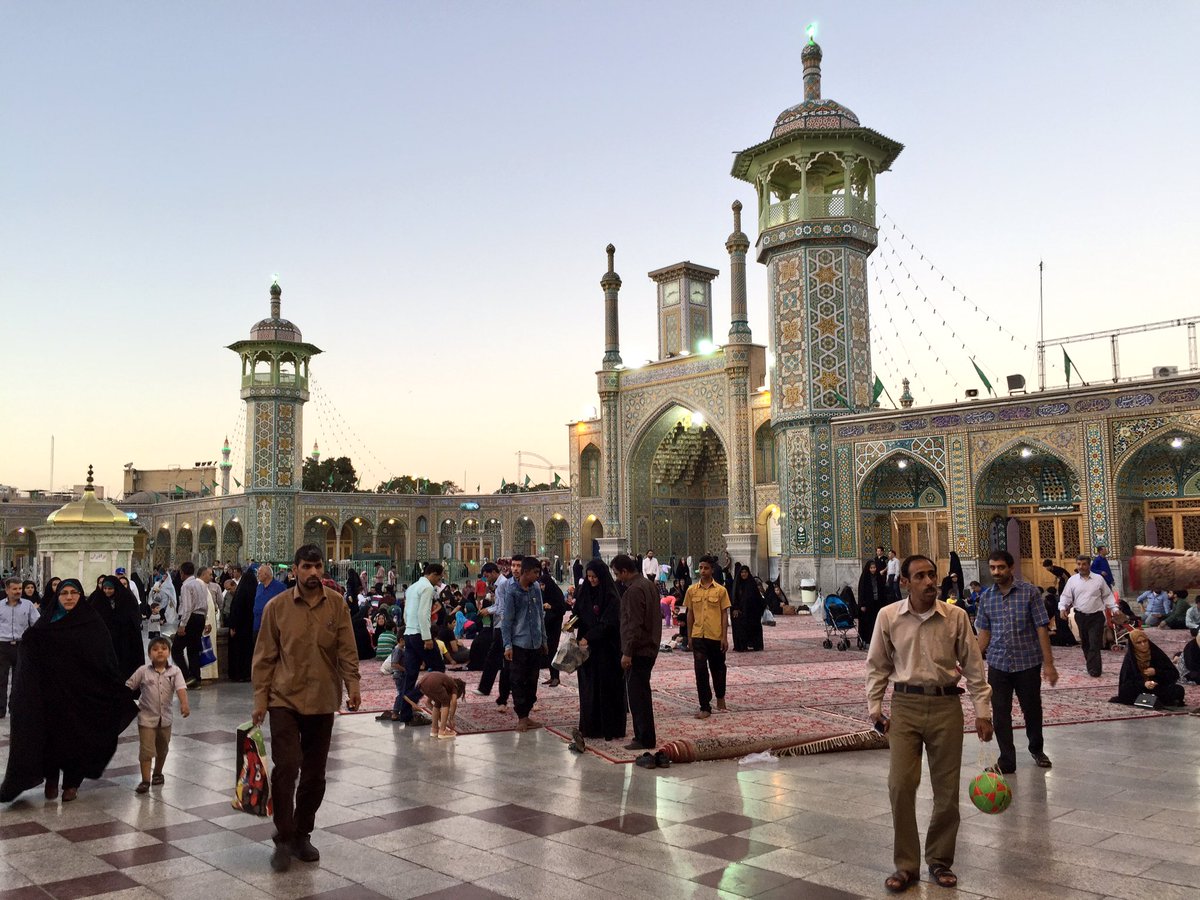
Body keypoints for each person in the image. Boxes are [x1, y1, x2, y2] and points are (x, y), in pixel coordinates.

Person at [865, 555, 993, 894]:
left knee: (947, 791)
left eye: (931, 575)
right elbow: (877, 665)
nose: (928, 581)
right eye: (919, 576)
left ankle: (939, 860)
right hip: (904, 706)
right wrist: (874, 706)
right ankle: (906, 865)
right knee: (901, 785)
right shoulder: (888, 616)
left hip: (945, 705)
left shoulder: (956, 617)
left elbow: (975, 668)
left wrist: (983, 712)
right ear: (904, 582)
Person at [251, 545, 360, 872]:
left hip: (323, 700)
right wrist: (260, 699)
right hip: (284, 699)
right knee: (287, 767)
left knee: (315, 775)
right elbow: (265, 657)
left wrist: (353, 685)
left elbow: (346, 649)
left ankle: (302, 833)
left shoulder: (337, 605)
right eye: (307, 567)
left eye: (318, 566)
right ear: (295, 570)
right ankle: (283, 838)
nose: (313, 572)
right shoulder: (277, 607)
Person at [1, 579, 139, 803]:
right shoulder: (47, 622)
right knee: (52, 737)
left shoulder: (92, 622)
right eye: (64, 593)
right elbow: (33, 643)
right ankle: (52, 779)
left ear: (80, 595)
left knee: (78, 738)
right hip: (52, 694)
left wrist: (114, 685)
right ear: (58, 596)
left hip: (81, 694)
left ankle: (72, 783)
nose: (68, 597)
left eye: (74, 593)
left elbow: (105, 657)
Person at [975, 551, 1057, 775]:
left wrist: (1048, 664)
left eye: (1000, 567)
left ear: (1011, 568)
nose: (996, 572)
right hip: (998, 663)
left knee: (1031, 708)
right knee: (1000, 712)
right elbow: (984, 633)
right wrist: (971, 660)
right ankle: (1007, 759)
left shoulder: (1029, 592)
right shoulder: (986, 597)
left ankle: (1037, 749)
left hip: (1027, 662)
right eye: (992, 568)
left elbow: (1042, 627)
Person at [125, 635, 189, 794]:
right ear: (149, 654)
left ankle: (158, 773)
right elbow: (129, 685)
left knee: (163, 749)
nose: (159, 652)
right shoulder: (143, 671)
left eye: (163, 649)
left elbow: (181, 688)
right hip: (146, 718)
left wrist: (184, 704)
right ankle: (145, 781)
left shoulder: (175, 672)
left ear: (169, 652)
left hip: (165, 719)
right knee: (146, 750)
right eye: (155, 649)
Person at [613, 554, 661, 753]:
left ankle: (644, 737)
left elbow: (634, 624)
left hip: (639, 650)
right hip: (649, 647)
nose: (617, 578)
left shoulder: (633, 591)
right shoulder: (648, 585)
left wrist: (627, 652)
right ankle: (645, 735)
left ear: (625, 571)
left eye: (617, 574)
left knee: (637, 696)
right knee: (642, 693)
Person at [574, 559, 625, 742]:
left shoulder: (611, 596)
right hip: (587, 651)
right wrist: (572, 624)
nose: (592, 580)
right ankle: (590, 726)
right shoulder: (584, 592)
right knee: (589, 688)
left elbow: (609, 623)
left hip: (606, 650)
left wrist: (591, 636)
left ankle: (610, 727)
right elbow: (578, 612)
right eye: (589, 577)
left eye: (595, 577)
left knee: (607, 688)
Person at [501, 556, 547, 732]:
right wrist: (507, 645)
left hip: (535, 643)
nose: (537, 576)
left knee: (532, 680)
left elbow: (539, 615)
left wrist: (544, 639)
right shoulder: (512, 591)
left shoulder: (535, 588)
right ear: (525, 572)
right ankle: (521, 716)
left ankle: (527, 715)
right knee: (518, 680)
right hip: (519, 643)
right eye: (535, 572)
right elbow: (507, 621)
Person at [398, 564, 445, 725]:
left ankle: (405, 714)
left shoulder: (412, 588)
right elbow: (423, 613)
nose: (439, 581)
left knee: (411, 675)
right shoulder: (427, 588)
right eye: (439, 577)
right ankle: (413, 697)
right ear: (432, 574)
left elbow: (406, 612)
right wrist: (427, 637)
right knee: (439, 668)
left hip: (409, 633)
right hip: (420, 634)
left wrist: (409, 628)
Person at [684, 556, 730, 720]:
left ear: (712, 570)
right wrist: (689, 636)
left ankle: (720, 696)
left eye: (706, 568)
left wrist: (724, 636)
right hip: (698, 636)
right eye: (700, 568)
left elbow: (724, 614)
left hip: (715, 635)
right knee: (700, 671)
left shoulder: (720, 590)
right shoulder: (692, 590)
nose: (702, 571)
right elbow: (689, 614)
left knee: (718, 669)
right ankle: (704, 705)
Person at [1058, 554, 1118, 677]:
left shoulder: (1099, 579)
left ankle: (1095, 670)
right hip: (1080, 616)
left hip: (1096, 616)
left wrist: (1114, 608)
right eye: (1079, 564)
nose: (1081, 567)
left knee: (1094, 642)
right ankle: (1091, 665)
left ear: (1089, 565)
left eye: (1084, 564)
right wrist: (1062, 608)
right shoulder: (1072, 581)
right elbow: (1066, 596)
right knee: (1085, 643)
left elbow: (1107, 595)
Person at [88, 575, 146, 681]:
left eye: (110, 588)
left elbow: (133, 619)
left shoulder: (127, 598)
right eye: (105, 588)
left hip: (124, 641)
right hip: (106, 642)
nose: (107, 591)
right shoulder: (98, 600)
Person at [1111, 629, 1185, 708]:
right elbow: (1125, 685)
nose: (1143, 644)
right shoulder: (1130, 659)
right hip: (1140, 690)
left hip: (1158, 687)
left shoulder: (1156, 653)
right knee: (1127, 693)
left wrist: (1156, 672)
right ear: (1133, 644)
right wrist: (1143, 684)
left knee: (1178, 690)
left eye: (1145, 641)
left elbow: (1173, 674)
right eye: (1139, 643)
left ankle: (1150, 700)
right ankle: (1151, 700)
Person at [1, 577, 40, 718]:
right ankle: (1, 710)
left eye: (19, 588)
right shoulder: (0, 606)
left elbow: (37, 624)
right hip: (3, 646)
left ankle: (15, 709)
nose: (18, 591)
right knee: (1, 679)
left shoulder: (28, 605)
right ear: (7, 590)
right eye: (14, 589)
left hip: (21, 646)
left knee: (19, 679)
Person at [402, 671, 466, 740]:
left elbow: (428, 703)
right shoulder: (454, 686)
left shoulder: (442, 685)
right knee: (446, 702)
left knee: (437, 702)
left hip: (422, 683)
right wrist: (451, 718)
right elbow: (453, 701)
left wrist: (439, 715)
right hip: (432, 681)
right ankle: (442, 731)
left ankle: (434, 730)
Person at [226, 564, 257, 682]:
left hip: (239, 629)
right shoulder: (254, 592)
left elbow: (236, 610)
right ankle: (247, 673)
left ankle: (238, 674)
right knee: (248, 652)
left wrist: (233, 626)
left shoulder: (241, 593)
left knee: (238, 652)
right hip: (249, 628)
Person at [539, 568, 567, 687]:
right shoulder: (544, 593)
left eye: (543, 584)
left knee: (553, 650)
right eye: (540, 584)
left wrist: (551, 607)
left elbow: (562, 609)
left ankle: (556, 677)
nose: (542, 587)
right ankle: (552, 676)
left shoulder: (556, 593)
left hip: (554, 626)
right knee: (547, 651)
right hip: (546, 625)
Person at [732, 564, 765, 652]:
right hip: (741, 611)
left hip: (752, 612)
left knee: (753, 627)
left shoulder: (752, 583)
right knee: (741, 628)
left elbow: (757, 598)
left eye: (745, 572)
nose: (744, 574)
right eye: (742, 572)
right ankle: (742, 645)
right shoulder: (737, 584)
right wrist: (735, 608)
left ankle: (755, 644)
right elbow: (734, 597)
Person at [857, 560, 887, 649]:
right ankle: (866, 640)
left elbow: (882, 590)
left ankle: (877, 641)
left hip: (877, 603)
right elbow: (861, 592)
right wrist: (862, 604)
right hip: (867, 604)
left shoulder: (878, 577)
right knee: (867, 623)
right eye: (871, 568)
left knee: (876, 622)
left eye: (874, 568)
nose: (873, 570)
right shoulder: (864, 578)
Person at [253, 563, 287, 635]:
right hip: (257, 626)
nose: (257, 575)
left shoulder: (280, 587)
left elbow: (285, 607)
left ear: (266, 575)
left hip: (271, 628)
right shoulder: (259, 587)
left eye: (259, 573)